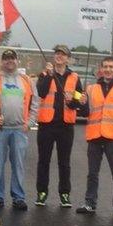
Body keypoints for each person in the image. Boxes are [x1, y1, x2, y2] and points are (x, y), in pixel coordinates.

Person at [76, 57, 113, 219]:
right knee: (92, 173)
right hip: (95, 135)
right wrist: (81, 103)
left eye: (111, 67)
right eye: (105, 67)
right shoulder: (91, 88)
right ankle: (90, 203)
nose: (108, 69)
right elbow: (85, 113)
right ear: (101, 69)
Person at [0, 49, 38, 211]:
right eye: (6, 59)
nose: (9, 61)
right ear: (2, 61)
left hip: (20, 130)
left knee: (18, 165)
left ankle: (18, 197)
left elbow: (35, 103)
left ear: (16, 60)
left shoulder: (27, 80)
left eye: (12, 58)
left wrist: (30, 123)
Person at [35, 44, 83, 207]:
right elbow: (41, 92)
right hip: (46, 125)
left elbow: (79, 102)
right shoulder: (44, 74)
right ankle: (41, 193)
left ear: (68, 58)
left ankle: (64, 194)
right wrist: (48, 75)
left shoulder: (75, 78)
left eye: (63, 54)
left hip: (65, 126)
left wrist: (73, 101)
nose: (59, 56)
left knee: (64, 162)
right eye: (57, 53)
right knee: (43, 161)